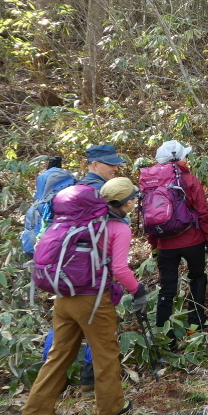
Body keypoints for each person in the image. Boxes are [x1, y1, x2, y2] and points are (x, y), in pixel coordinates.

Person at [18, 177, 146, 415]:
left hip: (64, 298)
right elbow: (119, 268)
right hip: (93, 300)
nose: (134, 202)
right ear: (121, 202)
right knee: (105, 353)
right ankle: (111, 410)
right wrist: (137, 289)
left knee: (58, 355)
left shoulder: (78, 224)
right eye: (132, 198)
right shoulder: (118, 228)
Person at [42, 143, 127, 392]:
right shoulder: (100, 194)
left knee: (63, 328)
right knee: (97, 323)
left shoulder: (74, 190)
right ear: (93, 164)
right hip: (92, 271)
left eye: (116, 163)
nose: (115, 167)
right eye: (110, 163)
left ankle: (53, 382)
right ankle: (91, 381)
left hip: (65, 270)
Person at [147, 141, 208, 333]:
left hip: (164, 243)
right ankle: (195, 323)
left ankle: (164, 331)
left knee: (167, 286)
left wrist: (154, 245)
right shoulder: (190, 180)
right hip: (193, 239)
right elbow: (203, 211)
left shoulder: (152, 183)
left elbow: (149, 218)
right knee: (198, 278)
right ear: (178, 159)